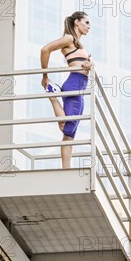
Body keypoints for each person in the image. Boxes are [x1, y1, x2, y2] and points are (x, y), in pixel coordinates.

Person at [40, 11, 93, 169]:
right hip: (75, 84)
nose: (89, 26)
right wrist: (45, 76)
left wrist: (89, 65)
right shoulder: (69, 38)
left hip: (80, 86)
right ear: (77, 22)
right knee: (66, 128)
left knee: (70, 132)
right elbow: (45, 50)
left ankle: (66, 169)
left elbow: (86, 65)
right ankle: (53, 96)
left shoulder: (79, 45)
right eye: (87, 22)